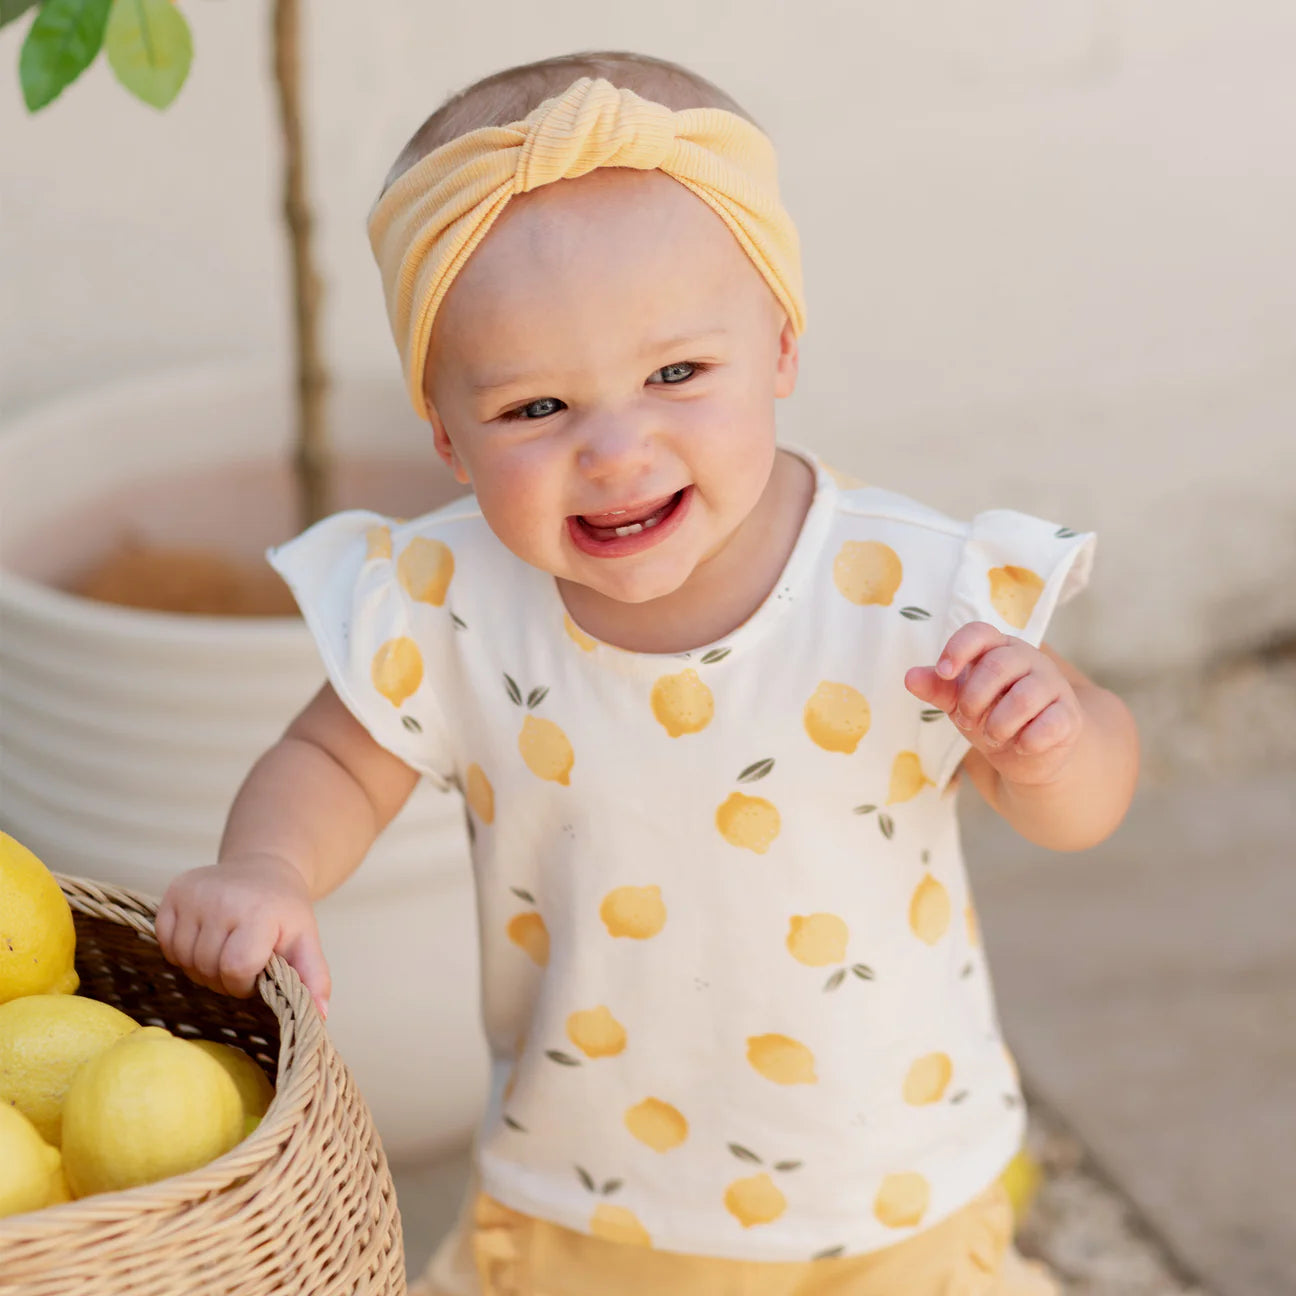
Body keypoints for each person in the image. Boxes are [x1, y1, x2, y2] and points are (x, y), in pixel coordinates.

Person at [157, 50, 1139, 1295]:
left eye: (677, 374)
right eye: (534, 409)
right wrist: (268, 869)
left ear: (780, 347)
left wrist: (1053, 740)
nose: (616, 449)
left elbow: (1088, 801)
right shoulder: (454, 602)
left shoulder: (912, 589)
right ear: (448, 438)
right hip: (588, 1189)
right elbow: (329, 759)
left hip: (884, 1180)